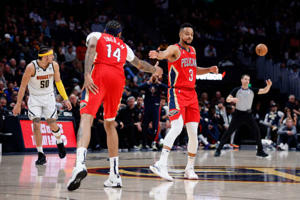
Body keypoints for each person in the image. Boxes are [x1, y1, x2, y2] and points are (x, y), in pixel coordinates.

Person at [67, 20, 163, 190]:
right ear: (119, 35)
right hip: (118, 79)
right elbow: (140, 64)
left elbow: (90, 50)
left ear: (105, 30)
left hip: (100, 73)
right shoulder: (124, 46)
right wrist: (155, 70)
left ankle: (80, 164)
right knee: (110, 124)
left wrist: (87, 75)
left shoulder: (96, 35)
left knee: (86, 118)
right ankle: (114, 175)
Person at [148, 23, 218, 181]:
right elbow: (164, 54)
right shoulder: (174, 48)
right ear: (180, 35)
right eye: (187, 34)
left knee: (194, 133)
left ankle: (189, 169)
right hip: (176, 92)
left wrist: (209, 69)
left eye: (192, 34)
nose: (189, 37)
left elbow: (194, 69)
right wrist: (157, 55)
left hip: (192, 94)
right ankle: (161, 163)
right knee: (178, 126)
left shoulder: (192, 50)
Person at [12, 46, 72, 165]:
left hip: (49, 97)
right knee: (36, 124)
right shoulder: (31, 67)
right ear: (44, 57)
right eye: (51, 55)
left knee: (52, 124)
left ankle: (59, 142)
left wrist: (66, 99)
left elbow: (58, 82)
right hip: (35, 98)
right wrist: (18, 104)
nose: (53, 57)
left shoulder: (54, 65)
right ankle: (40, 154)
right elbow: (23, 86)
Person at [214, 74, 272, 157]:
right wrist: (232, 99)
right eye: (245, 79)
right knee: (229, 132)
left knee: (257, 131)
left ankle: (260, 151)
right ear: (241, 80)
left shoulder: (252, 90)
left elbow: (264, 90)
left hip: (248, 114)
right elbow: (227, 99)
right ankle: (218, 150)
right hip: (238, 114)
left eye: (248, 79)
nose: (247, 81)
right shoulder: (236, 90)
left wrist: (269, 85)